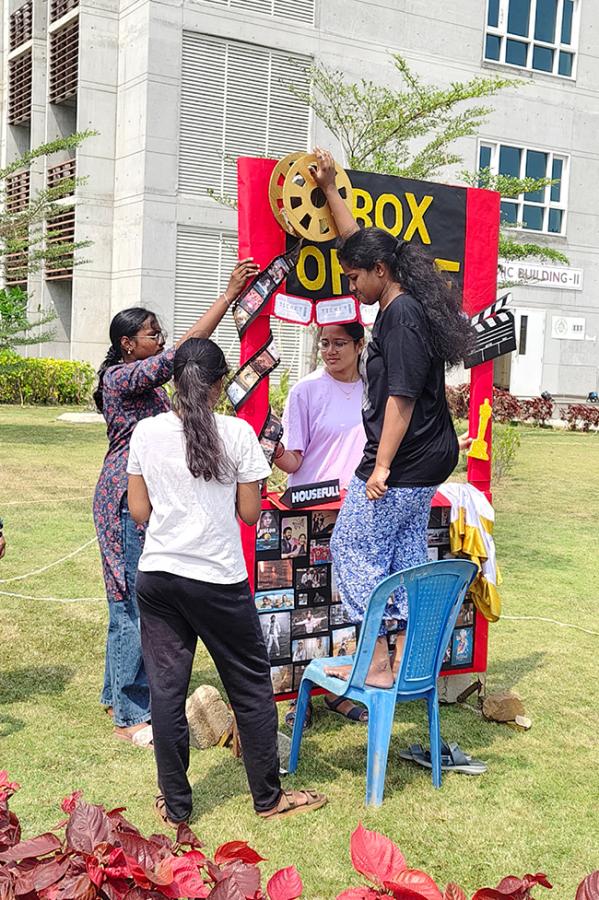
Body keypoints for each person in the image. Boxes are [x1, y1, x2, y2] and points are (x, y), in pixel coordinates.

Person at [127, 338, 326, 824]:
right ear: (221, 384)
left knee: (166, 693)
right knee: (250, 687)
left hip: (158, 577)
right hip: (217, 579)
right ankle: (269, 799)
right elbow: (249, 512)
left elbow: (138, 511)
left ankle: (176, 808)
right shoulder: (237, 434)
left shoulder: (147, 433)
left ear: (174, 381)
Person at [311, 147, 473, 688]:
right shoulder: (399, 300)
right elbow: (357, 243)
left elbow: (400, 399)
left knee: (351, 547)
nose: (351, 286)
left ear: (381, 272)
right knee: (402, 554)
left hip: (402, 462)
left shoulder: (400, 317)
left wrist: (379, 468)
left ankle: (377, 661)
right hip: (425, 460)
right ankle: (404, 655)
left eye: (356, 278)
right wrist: (332, 189)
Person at [93, 258, 259, 744]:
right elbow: (183, 356)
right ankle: (130, 715)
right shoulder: (121, 379)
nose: (160, 341)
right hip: (124, 498)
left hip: (135, 494)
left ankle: (115, 694)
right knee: (129, 603)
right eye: (152, 335)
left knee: (126, 599)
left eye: (161, 333)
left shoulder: (140, 382)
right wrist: (228, 294)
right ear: (128, 345)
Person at [275, 321, 366, 489]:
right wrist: (275, 449)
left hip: (359, 502)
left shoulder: (374, 389)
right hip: (313, 502)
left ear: (360, 345)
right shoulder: (304, 391)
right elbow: (294, 460)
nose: (330, 351)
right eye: (325, 344)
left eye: (339, 343)